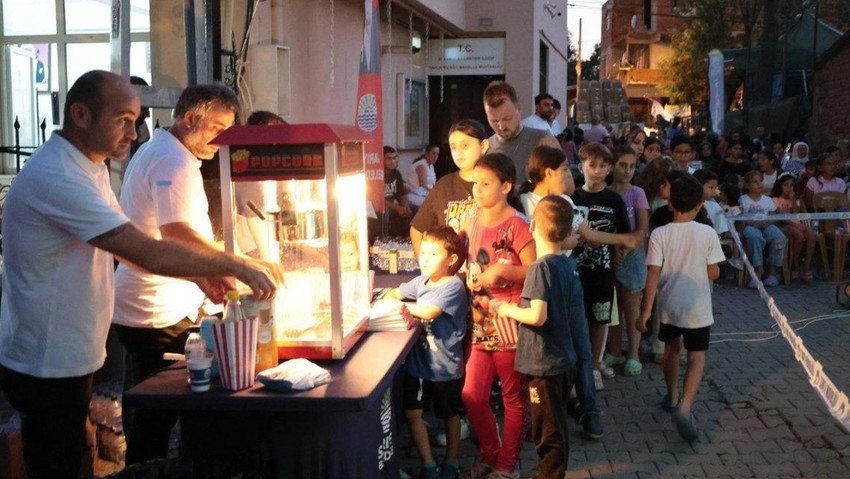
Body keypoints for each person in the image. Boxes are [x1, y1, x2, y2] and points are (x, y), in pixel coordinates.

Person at [0, 70, 278, 479]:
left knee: (78, 454)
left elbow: (127, 250)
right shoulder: (58, 177)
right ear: (80, 114)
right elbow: (146, 250)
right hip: (47, 360)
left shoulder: (88, 167)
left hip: (71, 353)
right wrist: (238, 264)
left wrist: (202, 276)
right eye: (122, 120)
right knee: (59, 463)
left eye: (136, 119)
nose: (134, 132)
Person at [113, 84, 279, 464]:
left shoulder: (166, 152)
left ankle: (156, 466)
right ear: (190, 119)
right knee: (158, 414)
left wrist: (206, 277)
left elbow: (171, 236)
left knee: (156, 412)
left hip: (155, 303)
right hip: (156, 312)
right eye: (218, 127)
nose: (223, 139)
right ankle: (150, 470)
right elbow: (178, 236)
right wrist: (237, 264)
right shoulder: (172, 161)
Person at [519, 146, 640, 439]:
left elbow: (583, 233)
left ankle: (587, 408)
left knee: (582, 347)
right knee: (541, 353)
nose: (569, 173)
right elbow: (564, 239)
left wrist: (621, 238)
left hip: (568, 278)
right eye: (563, 169)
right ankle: (541, 413)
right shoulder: (524, 203)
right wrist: (567, 241)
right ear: (548, 173)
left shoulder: (564, 201)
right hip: (536, 283)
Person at [490, 195, 580, 478]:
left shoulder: (540, 268)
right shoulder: (564, 264)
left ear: (531, 227)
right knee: (555, 425)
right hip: (563, 358)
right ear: (567, 233)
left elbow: (537, 316)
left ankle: (549, 475)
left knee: (547, 431)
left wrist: (504, 308)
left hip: (545, 363)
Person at [463, 153, 535, 475]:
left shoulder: (518, 224)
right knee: (472, 395)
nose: (477, 189)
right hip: (478, 321)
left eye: (485, 183)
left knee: (512, 397)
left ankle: (507, 467)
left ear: (506, 186)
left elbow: (535, 271)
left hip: (508, 320)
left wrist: (502, 272)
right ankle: (491, 455)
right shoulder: (471, 218)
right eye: (475, 182)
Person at [638, 175, 724, 441]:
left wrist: (646, 311)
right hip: (698, 309)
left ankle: (672, 396)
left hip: (669, 307)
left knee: (672, 351)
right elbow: (713, 273)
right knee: (697, 359)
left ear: (670, 204)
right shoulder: (708, 233)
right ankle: (686, 407)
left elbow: (653, 273)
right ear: (700, 205)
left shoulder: (660, 234)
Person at [385, 226, 469, 479]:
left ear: (452, 260)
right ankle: (429, 464)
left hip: (445, 367)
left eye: (434, 254)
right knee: (412, 413)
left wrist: (404, 307)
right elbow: (393, 293)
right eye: (423, 253)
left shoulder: (453, 286)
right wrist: (393, 299)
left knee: (450, 415)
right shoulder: (419, 282)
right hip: (418, 366)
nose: (425, 259)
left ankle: (451, 461)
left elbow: (430, 311)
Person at [571, 143, 631, 387]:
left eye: (603, 166)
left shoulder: (614, 200)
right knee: (577, 321)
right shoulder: (573, 197)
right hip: (574, 273)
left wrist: (621, 253)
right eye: (592, 165)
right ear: (581, 166)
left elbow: (625, 234)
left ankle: (594, 365)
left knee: (599, 320)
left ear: (609, 169)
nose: (597, 170)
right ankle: (578, 366)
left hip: (603, 274)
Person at [409, 119, 487, 255]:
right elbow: (417, 229)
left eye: (465, 145)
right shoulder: (444, 185)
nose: (459, 152)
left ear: (484, 146)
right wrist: (427, 267)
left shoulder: (496, 182)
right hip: (451, 273)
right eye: (454, 147)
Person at [607, 148, 649, 377]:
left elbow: (642, 228)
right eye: (622, 164)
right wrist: (613, 247)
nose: (627, 170)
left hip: (632, 255)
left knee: (632, 307)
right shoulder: (606, 191)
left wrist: (626, 247)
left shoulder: (637, 193)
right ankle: (615, 349)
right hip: (610, 252)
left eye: (632, 166)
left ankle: (634, 353)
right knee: (613, 307)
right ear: (613, 165)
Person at [483, 81, 560, 184]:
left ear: (519, 109)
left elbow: (566, 185)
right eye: (494, 121)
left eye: (507, 119)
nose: (501, 127)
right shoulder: (485, 149)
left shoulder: (544, 140)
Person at [739, 170, 788, 288]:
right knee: (754, 237)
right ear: (747, 185)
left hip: (766, 225)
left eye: (760, 181)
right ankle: (758, 269)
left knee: (779, 237)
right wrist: (752, 222)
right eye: (755, 182)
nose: (759, 184)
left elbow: (775, 216)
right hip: (750, 226)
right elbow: (739, 217)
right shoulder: (742, 199)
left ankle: (772, 271)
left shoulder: (767, 200)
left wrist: (767, 222)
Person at [693, 169, 743, 271]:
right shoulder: (687, 204)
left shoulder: (715, 207)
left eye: (715, 187)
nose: (715, 191)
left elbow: (721, 230)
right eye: (711, 187)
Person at [771, 173, 816, 283]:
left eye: (791, 185)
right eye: (785, 185)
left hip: (796, 224)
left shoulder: (795, 199)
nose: (788, 188)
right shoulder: (775, 200)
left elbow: (796, 214)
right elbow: (782, 218)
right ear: (780, 186)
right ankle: (795, 265)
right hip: (781, 225)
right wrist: (797, 226)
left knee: (811, 235)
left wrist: (793, 200)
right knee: (799, 235)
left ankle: (806, 265)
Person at [382, 146, 413, 237]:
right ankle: (385, 240)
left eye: (394, 158)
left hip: (394, 206)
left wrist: (405, 207)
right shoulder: (378, 174)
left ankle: (407, 241)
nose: (392, 161)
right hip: (385, 206)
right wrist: (398, 208)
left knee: (415, 210)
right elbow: (379, 199)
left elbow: (401, 195)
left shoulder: (396, 174)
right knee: (386, 212)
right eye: (388, 158)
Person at [407, 143, 440, 209]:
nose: (435, 156)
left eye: (437, 154)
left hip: (426, 193)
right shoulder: (421, 165)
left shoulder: (431, 166)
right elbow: (423, 185)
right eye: (433, 153)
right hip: (417, 194)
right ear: (426, 154)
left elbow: (433, 184)